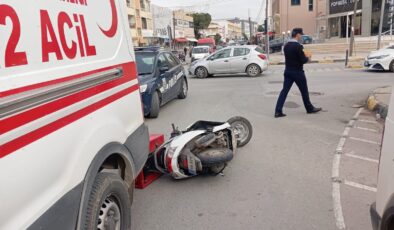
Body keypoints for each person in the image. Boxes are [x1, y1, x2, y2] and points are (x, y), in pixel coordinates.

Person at [274, 28, 321, 118]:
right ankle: (309, 108)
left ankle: (278, 111)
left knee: (284, 91)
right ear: (298, 35)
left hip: (288, 71)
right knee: (304, 91)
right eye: (301, 35)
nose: (301, 36)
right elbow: (303, 60)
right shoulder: (298, 46)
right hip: (298, 72)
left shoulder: (286, 45)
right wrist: (308, 57)